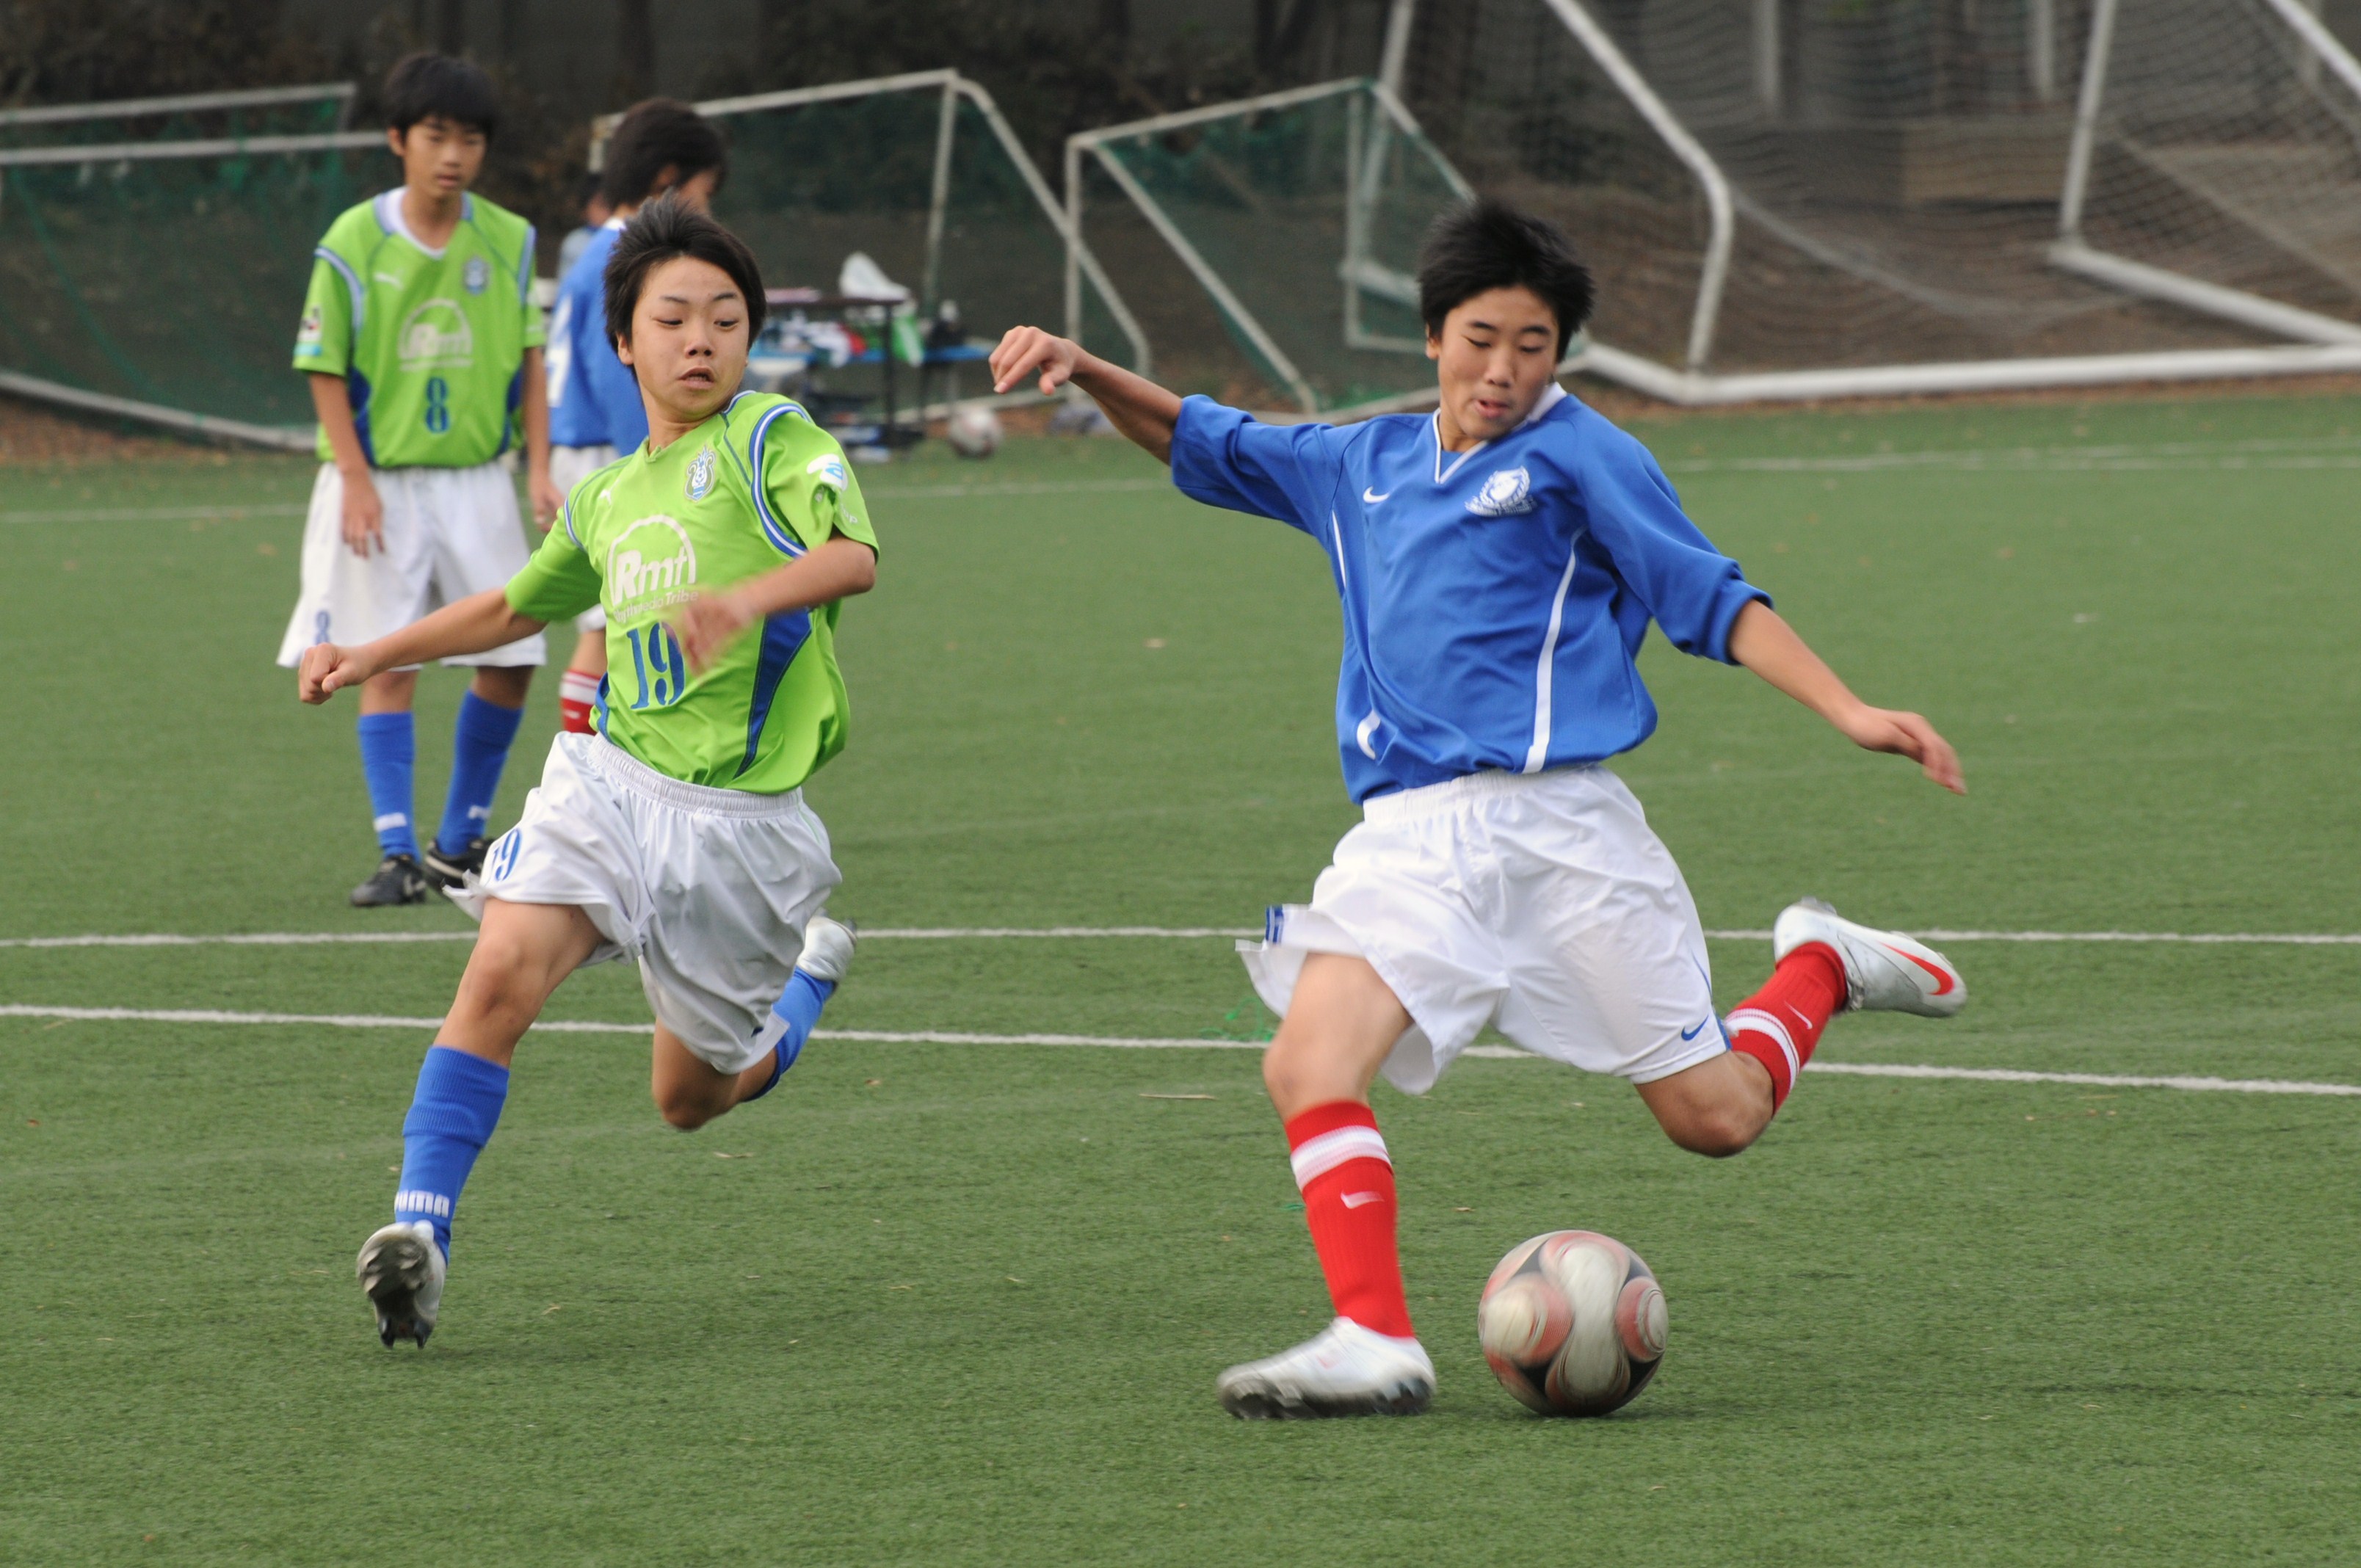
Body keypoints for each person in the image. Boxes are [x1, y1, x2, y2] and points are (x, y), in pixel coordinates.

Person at [989, 198, 1969, 1419]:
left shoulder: (1582, 455)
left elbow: (1710, 598)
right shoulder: (1364, 465)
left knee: (1716, 1119)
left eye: (1533, 345)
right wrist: (1083, 370)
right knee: (1307, 1061)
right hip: (1410, 841)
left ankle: (1819, 962)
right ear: (1433, 334)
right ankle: (1374, 1336)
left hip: (1564, 834)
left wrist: (1851, 709)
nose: (1502, 370)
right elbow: (1209, 439)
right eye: (1480, 338)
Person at [299, 200, 880, 1349]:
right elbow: (515, 607)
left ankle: (807, 979)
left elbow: (852, 556)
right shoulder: (609, 495)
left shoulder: (773, 439)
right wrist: (374, 648)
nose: (701, 338)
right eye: (673, 318)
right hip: (610, 784)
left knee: (690, 1100)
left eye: (726, 317)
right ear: (625, 341)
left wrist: (748, 597)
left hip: (743, 831)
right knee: (499, 969)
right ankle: (422, 1233)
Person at [280, 52, 562, 906]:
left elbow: (530, 359)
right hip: (381, 484)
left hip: (478, 480)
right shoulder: (352, 241)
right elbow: (323, 365)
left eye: (471, 139)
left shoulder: (509, 239)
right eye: (436, 135)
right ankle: (396, 853)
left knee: (512, 655)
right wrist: (355, 477)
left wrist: (541, 465)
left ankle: (457, 843)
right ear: (399, 140)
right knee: (383, 661)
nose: (454, 154)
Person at [546, 99, 730, 735]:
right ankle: (591, 778)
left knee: (608, 628)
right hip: (612, 455)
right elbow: (621, 380)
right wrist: (665, 467)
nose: (706, 214)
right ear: (668, 182)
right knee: (614, 629)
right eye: (703, 196)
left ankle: (606, 773)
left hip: (584, 452)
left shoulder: (598, 253)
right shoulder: (624, 262)